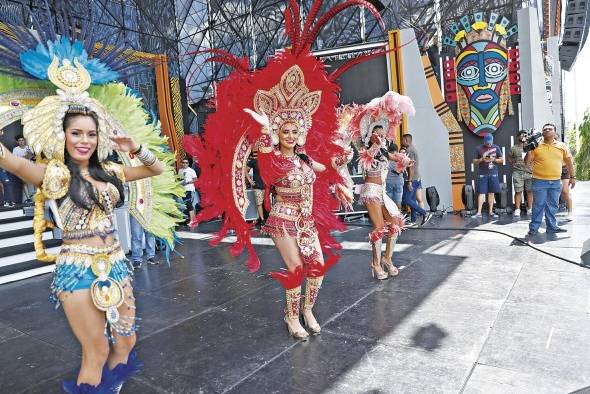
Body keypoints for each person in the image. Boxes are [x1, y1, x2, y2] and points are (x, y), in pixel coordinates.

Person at [0, 14, 184, 392]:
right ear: (62, 135)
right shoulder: (51, 174)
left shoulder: (111, 172)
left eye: (90, 133)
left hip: (116, 262)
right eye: (76, 133)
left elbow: (154, 169)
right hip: (76, 269)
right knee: (96, 350)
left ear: (98, 136)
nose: (83, 140)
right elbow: (8, 160)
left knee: (127, 342)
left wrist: (137, 148)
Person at [352, 92, 414, 281]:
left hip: (382, 191)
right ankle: (375, 263)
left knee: (395, 224)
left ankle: (387, 259)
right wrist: (376, 146)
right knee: (379, 228)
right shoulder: (366, 150)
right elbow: (368, 157)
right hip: (371, 192)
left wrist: (404, 159)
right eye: (376, 133)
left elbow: (393, 157)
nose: (379, 135)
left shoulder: (383, 150)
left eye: (381, 132)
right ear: (369, 135)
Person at [526, 123, 575, 235]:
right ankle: (534, 228)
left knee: (553, 205)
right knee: (538, 205)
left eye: (550, 129)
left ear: (554, 132)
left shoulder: (562, 146)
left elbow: (569, 163)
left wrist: (572, 177)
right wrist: (529, 149)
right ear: (542, 133)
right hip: (539, 181)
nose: (547, 130)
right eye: (545, 129)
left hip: (556, 182)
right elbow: (527, 162)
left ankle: (552, 227)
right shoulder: (536, 145)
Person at [472, 133, 503, 218]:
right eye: (487, 142)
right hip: (483, 173)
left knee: (491, 193)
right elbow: (474, 161)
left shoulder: (496, 147)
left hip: (493, 173)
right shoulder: (479, 148)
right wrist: (481, 159)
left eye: (490, 142)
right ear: (484, 141)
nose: (489, 144)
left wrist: (494, 159)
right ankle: (479, 213)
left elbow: (502, 160)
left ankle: (490, 212)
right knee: (481, 193)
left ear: (492, 140)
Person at [508, 130, 533, 216]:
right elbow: (509, 158)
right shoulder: (514, 148)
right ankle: (517, 209)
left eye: (525, 135)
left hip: (529, 172)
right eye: (521, 135)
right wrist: (515, 163)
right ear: (518, 137)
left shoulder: (531, 147)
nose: (523, 137)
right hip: (517, 172)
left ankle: (530, 208)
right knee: (518, 191)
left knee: (530, 191)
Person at [402, 134, 425, 209]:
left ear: (406, 140)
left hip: (413, 178)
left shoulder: (409, 150)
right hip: (417, 177)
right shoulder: (413, 148)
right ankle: (418, 218)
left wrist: (409, 181)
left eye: (402, 140)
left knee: (408, 199)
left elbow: (411, 167)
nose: (401, 141)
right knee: (419, 199)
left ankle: (424, 213)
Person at [247, 145, 266, 226]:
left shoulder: (267, 161)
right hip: (257, 186)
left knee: (266, 204)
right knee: (259, 203)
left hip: (266, 186)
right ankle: (262, 220)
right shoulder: (254, 161)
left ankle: (262, 219)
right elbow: (245, 169)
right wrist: (249, 180)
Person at [179, 158, 198, 225]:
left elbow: (196, 179)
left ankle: (193, 221)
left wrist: (187, 182)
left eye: (186, 162)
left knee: (189, 204)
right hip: (182, 190)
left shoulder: (191, 170)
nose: (184, 164)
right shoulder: (180, 170)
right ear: (181, 163)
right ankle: (191, 220)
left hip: (189, 189)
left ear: (188, 163)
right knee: (185, 205)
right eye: (183, 162)